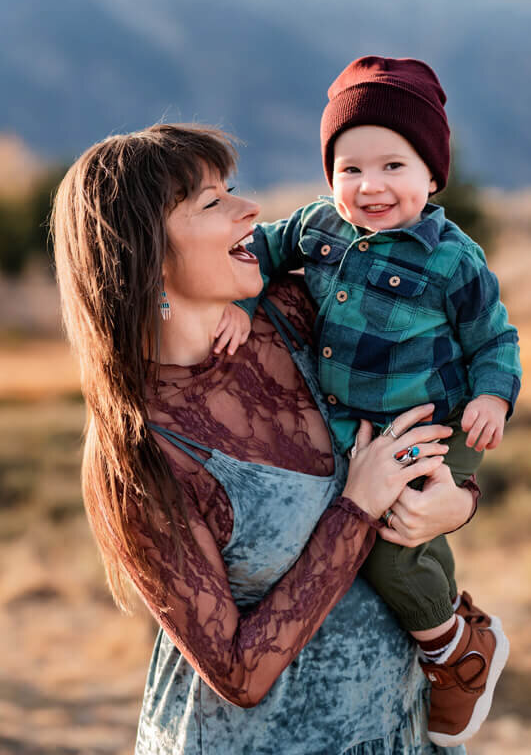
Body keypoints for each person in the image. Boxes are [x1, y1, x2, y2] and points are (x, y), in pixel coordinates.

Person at [51, 122, 479, 755]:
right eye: (211, 202)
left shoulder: (298, 313)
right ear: (146, 252)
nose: (249, 209)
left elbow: (447, 400)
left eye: (234, 188)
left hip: (400, 731)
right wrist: (356, 509)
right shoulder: (142, 449)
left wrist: (460, 501)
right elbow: (238, 674)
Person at [217, 56, 522, 746]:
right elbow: (260, 248)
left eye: (392, 167)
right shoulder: (319, 228)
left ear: (431, 176)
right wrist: (241, 297)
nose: (370, 186)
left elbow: (493, 337)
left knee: (394, 539)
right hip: (354, 425)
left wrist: (495, 401)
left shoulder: (452, 258)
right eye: (349, 168)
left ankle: (455, 647)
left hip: (433, 417)